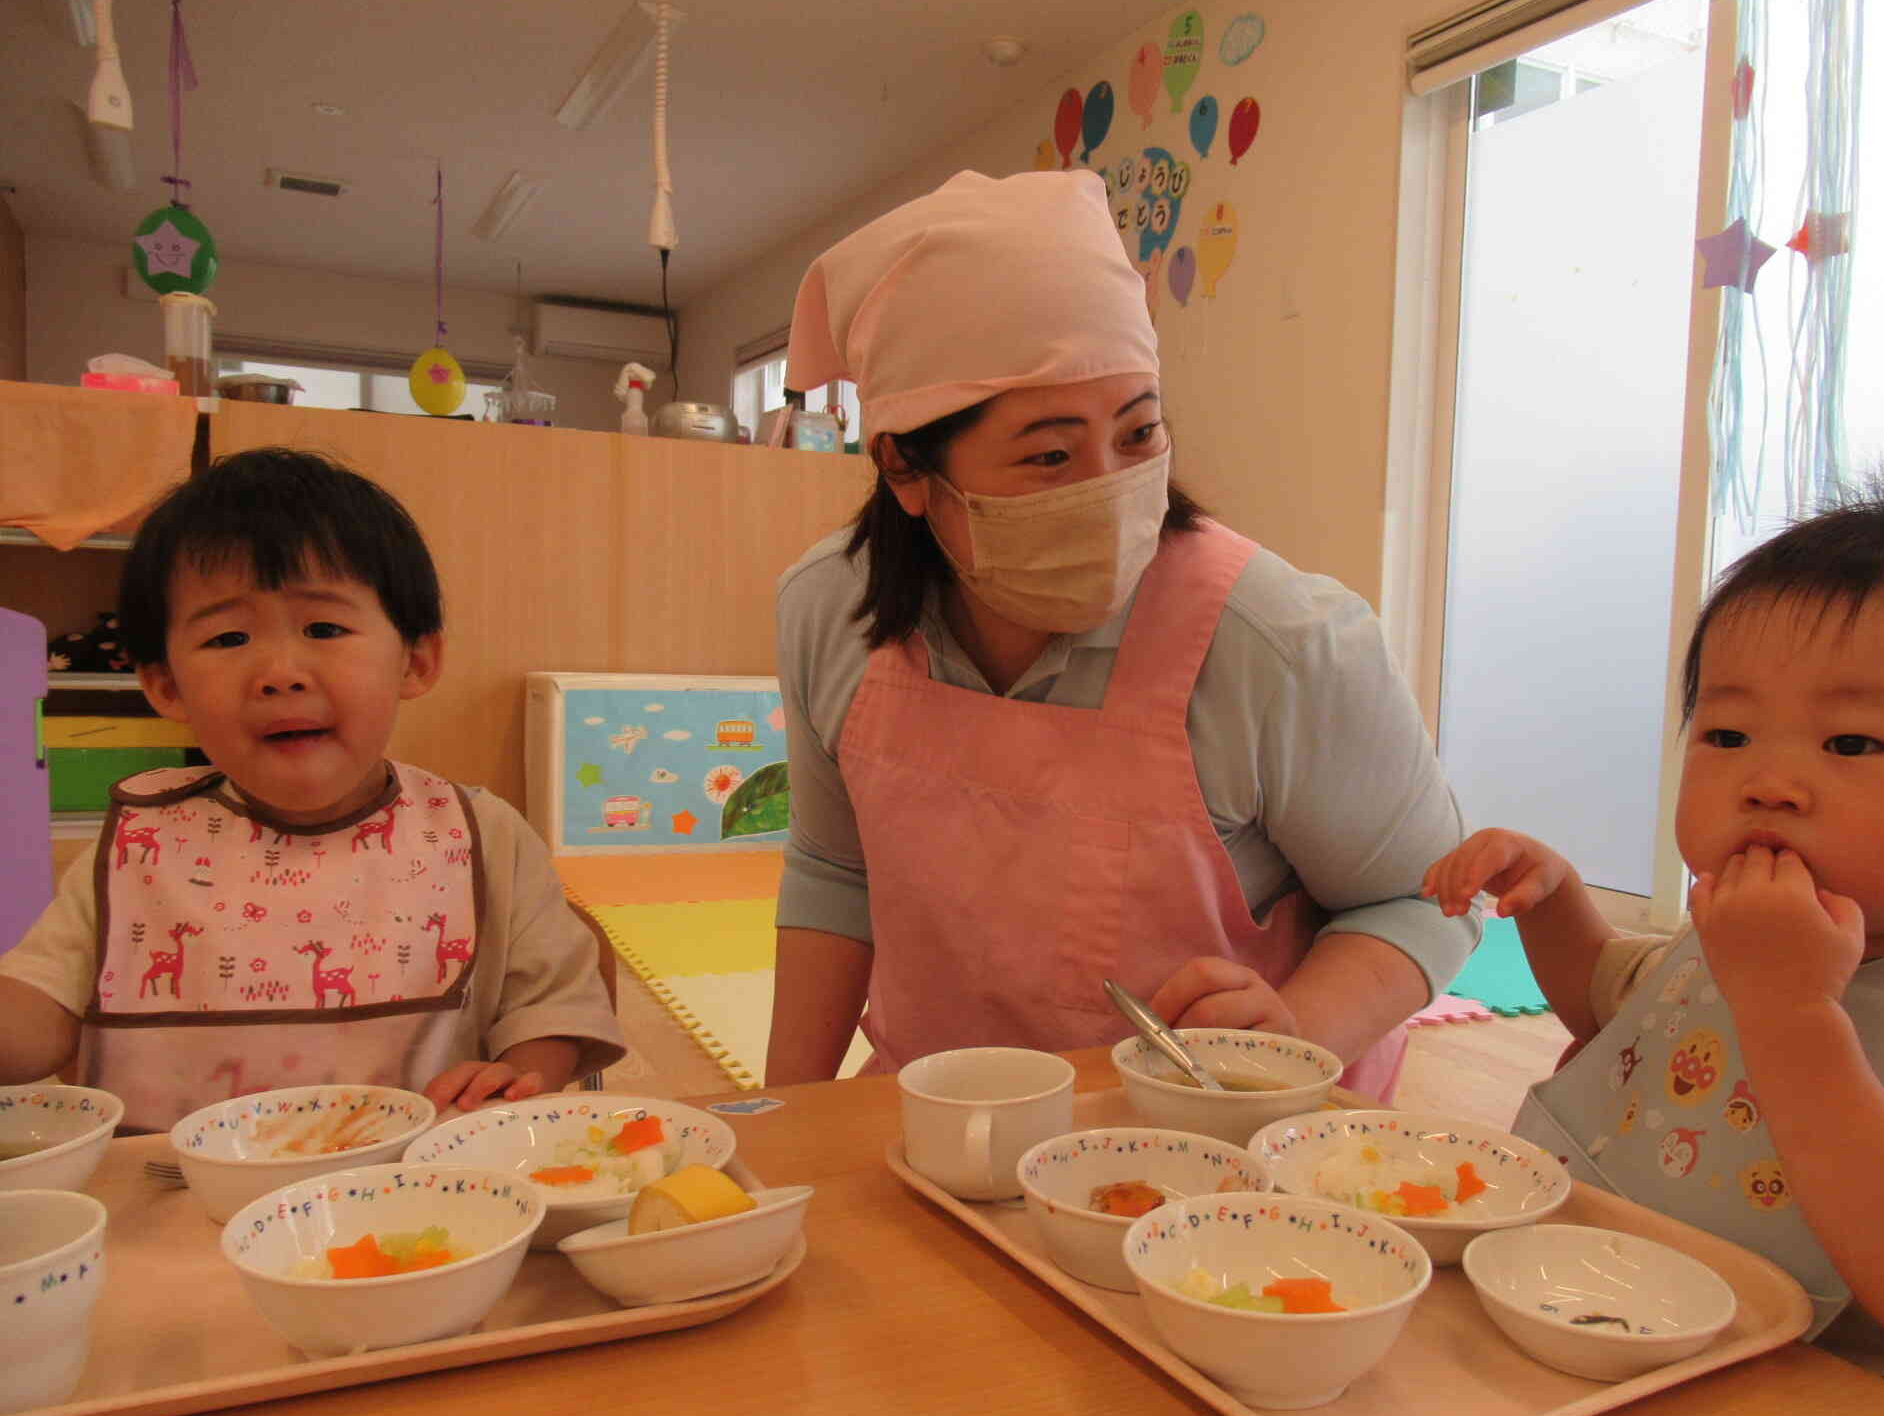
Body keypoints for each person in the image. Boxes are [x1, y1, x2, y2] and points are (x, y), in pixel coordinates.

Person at [765, 169, 1479, 1092]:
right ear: (905, 466)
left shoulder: (1278, 641)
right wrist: (780, 1120)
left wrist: (1289, 1035)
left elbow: (1424, 900)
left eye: (1138, 435)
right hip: (940, 1110)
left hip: (1222, 1133)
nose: (1107, 492)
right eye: (1051, 454)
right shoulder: (830, 613)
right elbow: (833, 873)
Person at [1422, 457, 1884, 1381]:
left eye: (1850, 743)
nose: (1768, 782)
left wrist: (1795, 1017)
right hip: (1594, 1311)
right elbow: (1611, 1006)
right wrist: (1555, 903)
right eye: (1727, 735)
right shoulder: (1721, 943)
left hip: (1824, 1405)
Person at [0, 448, 626, 1129]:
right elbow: (37, 1015)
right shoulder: (140, 841)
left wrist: (521, 1073)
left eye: (324, 628)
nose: (279, 672)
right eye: (228, 637)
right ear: (165, 686)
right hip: (167, 1204)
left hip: (416, 1201)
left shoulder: (483, 835)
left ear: (416, 661)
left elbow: (555, 1007)